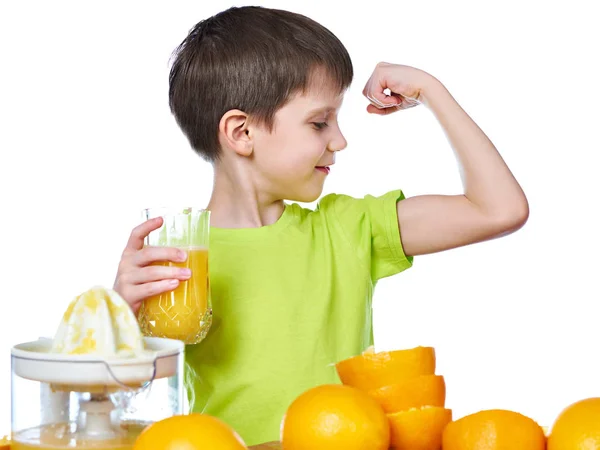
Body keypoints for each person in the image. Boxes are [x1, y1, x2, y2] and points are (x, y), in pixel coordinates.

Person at [113, 5, 528, 445]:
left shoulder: (349, 229)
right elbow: (128, 391)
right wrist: (122, 317)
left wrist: (431, 91)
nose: (340, 140)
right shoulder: (180, 262)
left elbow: (499, 209)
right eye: (319, 122)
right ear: (242, 133)